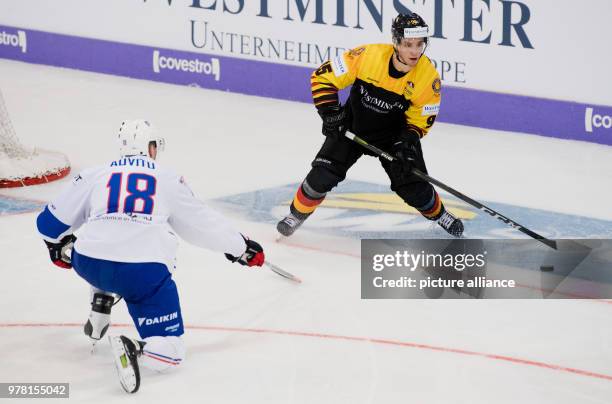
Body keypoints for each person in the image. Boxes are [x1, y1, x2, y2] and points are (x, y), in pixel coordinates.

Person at [36, 120, 265, 394]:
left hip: (88, 263)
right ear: (151, 147)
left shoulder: (95, 174)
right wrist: (242, 247)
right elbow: (202, 226)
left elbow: (48, 224)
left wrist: (56, 247)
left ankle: (101, 300)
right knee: (172, 351)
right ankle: (136, 347)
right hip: (142, 273)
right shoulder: (167, 178)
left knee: (105, 248)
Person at [277, 11, 463, 238]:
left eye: (420, 44)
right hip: (351, 128)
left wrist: (407, 143)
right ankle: (296, 215)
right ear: (396, 43)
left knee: (414, 188)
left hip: (393, 138)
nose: (415, 51)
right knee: (321, 177)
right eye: (408, 44)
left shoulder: (428, 77)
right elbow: (323, 77)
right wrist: (330, 113)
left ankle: (439, 214)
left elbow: (421, 119)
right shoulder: (367, 55)